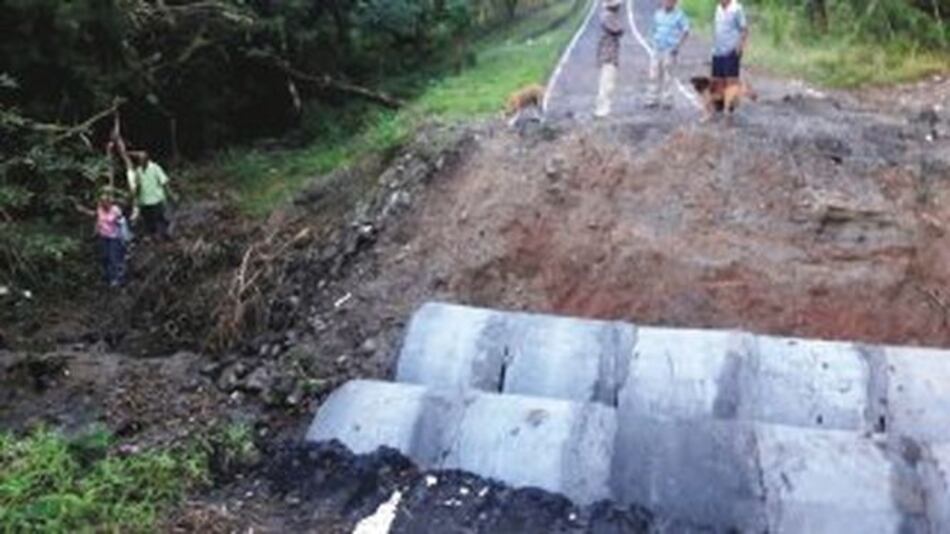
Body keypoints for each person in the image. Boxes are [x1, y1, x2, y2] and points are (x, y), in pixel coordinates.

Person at [116, 138, 173, 239]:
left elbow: (164, 182)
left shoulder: (155, 168)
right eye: (139, 161)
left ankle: (166, 233)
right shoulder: (138, 171)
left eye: (142, 161)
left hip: (157, 199)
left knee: (161, 218)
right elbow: (138, 186)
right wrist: (134, 197)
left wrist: (170, 194)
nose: (141, 162)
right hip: (144, 201)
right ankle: (154, 235)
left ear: (147, 160)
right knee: (149, 220)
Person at [648, 0, 690, 109]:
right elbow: (653, 29)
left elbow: (686, 30)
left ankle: (667, 100)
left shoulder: (679, 15)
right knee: (654, 74)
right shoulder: (658, 14)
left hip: (670, 49)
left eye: (671, 1)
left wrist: (678, 46)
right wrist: (652, 42)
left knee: (668, 75)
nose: (668, 3)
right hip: (657, 48)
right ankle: (652, 98)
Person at [595, 0, 625, 118]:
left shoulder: (609, 16)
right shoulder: (607, 17)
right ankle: (602, 109)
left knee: (607, 81)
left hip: (610, 53)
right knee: (607, 82)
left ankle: (604, 107)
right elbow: (618, 30)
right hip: (608, 54)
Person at [712, 0, 748, 81]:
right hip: (717, 52)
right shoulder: (718, 8)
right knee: (717, 83)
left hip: (730, 52)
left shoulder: (736, 8)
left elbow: (744, 29)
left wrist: (739, 48)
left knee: (730, 84)